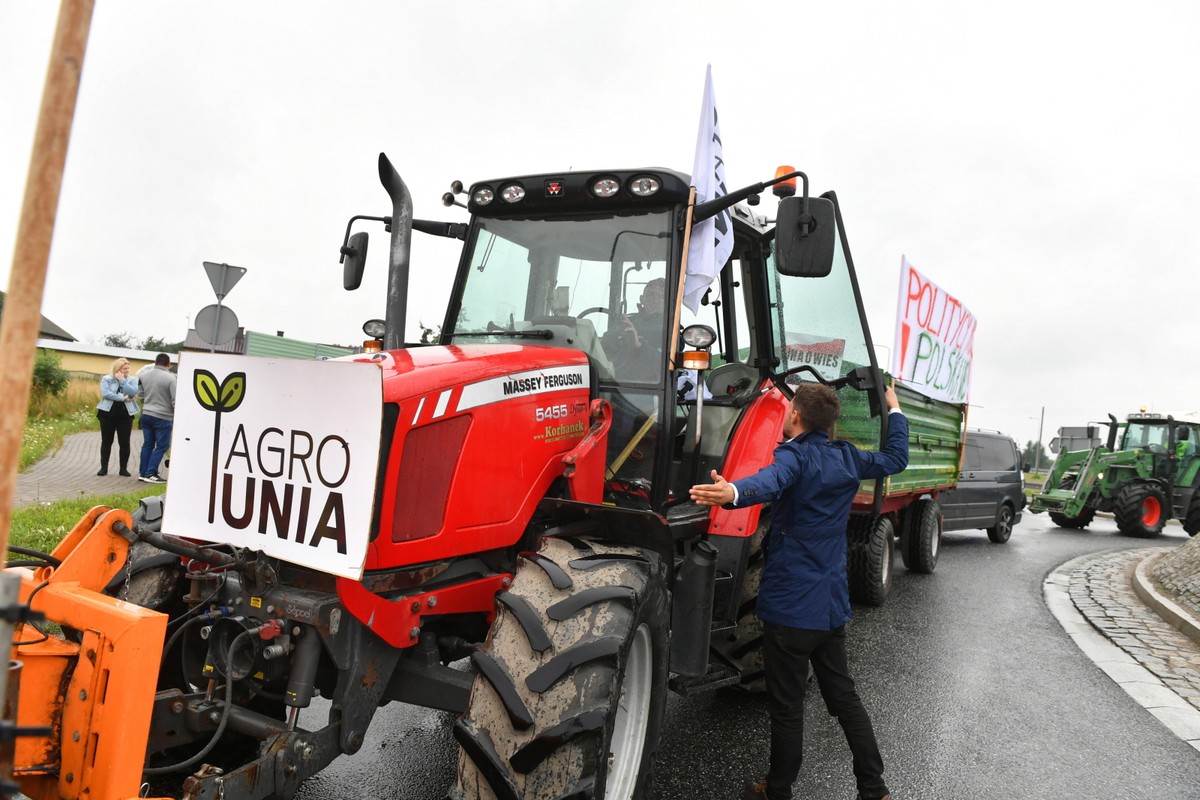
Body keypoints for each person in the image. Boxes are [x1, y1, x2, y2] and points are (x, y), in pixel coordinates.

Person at [689, 381, 908, 800]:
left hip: (790, 610)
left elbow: (772, 480)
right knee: (844, 699)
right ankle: (874, 789)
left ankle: (779, 789)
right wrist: (893, 407)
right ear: (830, 423)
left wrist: (733, 491)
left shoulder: (795, 455)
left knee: (787, 708)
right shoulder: (847, 457)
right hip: (830, 608)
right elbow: (896, 457)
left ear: (794, 417)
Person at [603, 277, 667, 381]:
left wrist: (638, 344)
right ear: (642, 299)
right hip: (612, 381)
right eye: (651, 295)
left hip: (649, 387)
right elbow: (604, 345)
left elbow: (667, 363)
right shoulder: (626, 321)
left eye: (661, 297)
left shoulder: (670, 330)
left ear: (667, 302)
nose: (655, 299)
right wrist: (618, 337)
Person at [137, 353, 177, 484]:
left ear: (155, 362)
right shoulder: (171, 379)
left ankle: (142, 473)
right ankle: (151, 472)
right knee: (162, 445)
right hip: (163, 417)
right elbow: (175, 400)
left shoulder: (143, 375)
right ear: (168, 364)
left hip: (147, 413)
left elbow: (140, 394)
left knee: (148, 444)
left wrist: (146, 403)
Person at [95, 358, 139, 476]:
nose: (127, 370)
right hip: (107, 412)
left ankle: (123, 468)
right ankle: (104, 468)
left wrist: (123, 381)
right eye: (124, 368)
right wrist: (122, 398)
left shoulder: (132, 379)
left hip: (125, 414)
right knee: (106, 441)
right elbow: (106, 393)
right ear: (118, 369)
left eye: (128, 368)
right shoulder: (107, 379)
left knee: (124, 442)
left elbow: (133, 392)